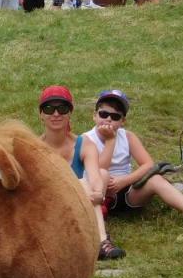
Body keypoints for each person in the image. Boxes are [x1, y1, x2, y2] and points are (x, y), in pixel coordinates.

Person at [81, 89, 183, 236]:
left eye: (115, 116)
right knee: (103, 174)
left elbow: (148, 164)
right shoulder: (86, 139)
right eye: (103, 114)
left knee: (156, 179)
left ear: (122, 121)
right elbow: (99, 168)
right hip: (99, 191)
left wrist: (124, 181)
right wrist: (110, 142)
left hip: (126, 191)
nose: (108, 119)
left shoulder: (128, 136)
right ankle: (97, 224)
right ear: (94, 116)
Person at [38, 85, 124, 259]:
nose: (56, 114)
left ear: (70, 112)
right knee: (81, 184)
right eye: (49, 108)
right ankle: (100, 241)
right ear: (41, 114)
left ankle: (101, 242)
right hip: (47, 208)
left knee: (87, 183)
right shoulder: (34, 147)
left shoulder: (84, 144)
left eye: (62, 108)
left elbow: (95, 174)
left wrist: (99, 192)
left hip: (79, 205)